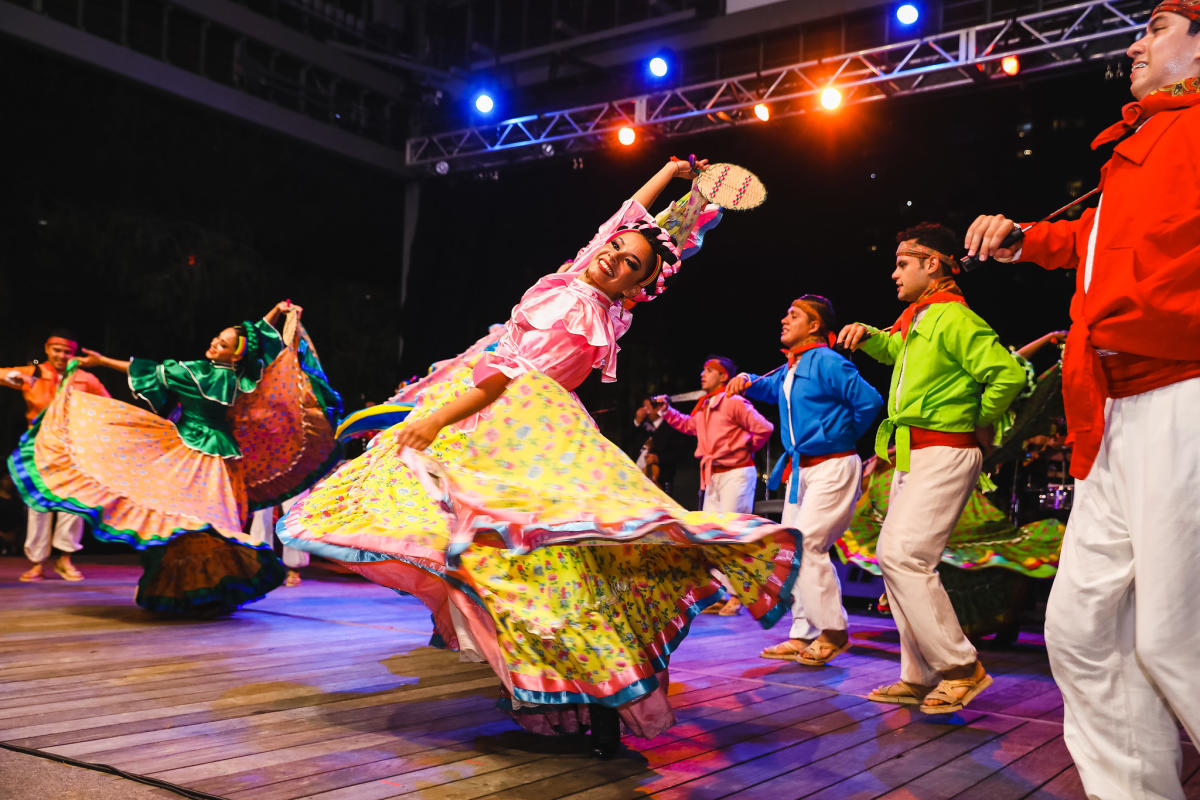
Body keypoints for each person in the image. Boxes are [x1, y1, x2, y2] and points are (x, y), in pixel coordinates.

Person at [279, 159, 800, 759]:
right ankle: (579, 695)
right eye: (613, 249)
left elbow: (499, 379)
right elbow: (629, 221)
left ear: (636, 287)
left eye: (629, 263)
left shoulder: (575, 306)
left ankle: (588, 693)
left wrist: (433, 418)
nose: (612, 256)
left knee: (522, 557)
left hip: (515, 424)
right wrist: (674, 178)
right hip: (523, 422)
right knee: (530, 556)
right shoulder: (586, 286)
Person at [963, 3, 1200, 794]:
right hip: (1110, 414)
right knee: (1083, 629)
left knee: (1178, 640)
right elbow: (1105, 239)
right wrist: (1025, 240)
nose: (1136, 42)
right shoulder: (1145, 141)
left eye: (1157, 28)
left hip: (1185, 397)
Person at [8, 302, 341, 615]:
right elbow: (248, 337)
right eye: (216, 339)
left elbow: (250, 339)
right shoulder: (225, 374)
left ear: (235, 354)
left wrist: (280, 317)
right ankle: (185, 589)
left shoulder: (220, 375)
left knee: (212, 526)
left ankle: (212, 589)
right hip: (193, 453)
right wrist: (275, 312)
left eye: (222, 344)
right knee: (190, 523)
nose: (214, 344)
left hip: (215, 461)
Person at [837, 222, 1026, 714]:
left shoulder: (956, 319)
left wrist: (975, 420)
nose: (894, 273)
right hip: (913, 452)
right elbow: (899, 353)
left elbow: (1006, 374)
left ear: (933, 264)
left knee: (904, 556)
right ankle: (918, 674)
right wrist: (870, 337)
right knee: (894, 557)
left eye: (903, 263)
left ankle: (961, 667)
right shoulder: (920, 321)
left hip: (944, 451)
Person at [727, 295, 882, 665]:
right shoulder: (794, 367)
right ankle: (803, 634)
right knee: (791, 552)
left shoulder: (826, 360)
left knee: (807, 544)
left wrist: (840, 434)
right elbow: (772, 388)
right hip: (802, 471)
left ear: (814, 326)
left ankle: (834, 630)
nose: (784, 319)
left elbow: (870, 401)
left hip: (833, 465)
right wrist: (747, 380)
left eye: (793, 315)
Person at [655, 356, 774, 615]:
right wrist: (666, 411)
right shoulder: (705, 405)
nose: (703, 373)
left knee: (732, 536)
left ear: (723, 376)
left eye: (710, 370)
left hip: (737, 473)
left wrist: (743, 449)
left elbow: (764, 428)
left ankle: (737, 594)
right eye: (703, 368)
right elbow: (689, 426)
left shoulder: (733, 401)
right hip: (714, 476)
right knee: (713, 537)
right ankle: (721, 593)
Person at [2, 331, 110, 582]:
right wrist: (16, 376)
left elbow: (107, 406)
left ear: (74, 354)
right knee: (37, 504)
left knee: (72, 503)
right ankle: (37, 563)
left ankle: (65, 559)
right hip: (39, 449)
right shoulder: (35, 373)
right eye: (57, 350)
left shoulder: (85, 379)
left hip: (73, 450)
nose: (62, 356)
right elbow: (4, 374)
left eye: (67, 351)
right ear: (47, 350)